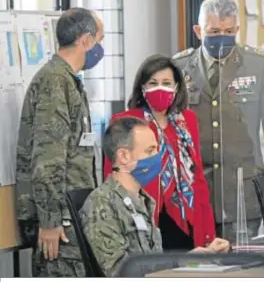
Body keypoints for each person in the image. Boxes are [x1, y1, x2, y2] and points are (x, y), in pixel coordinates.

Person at [172, 0, 264, 241]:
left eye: (228, 31)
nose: (221, 37)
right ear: (198, 31)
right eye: (214, 31)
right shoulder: (179, 67)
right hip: (195, 192)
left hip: (242, 193)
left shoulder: (257, 65)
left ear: (237, 29)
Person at [15, 8, 105, 277]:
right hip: (60, 222)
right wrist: (51, 221)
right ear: (86, 40)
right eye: (100, 39)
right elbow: (47, 160)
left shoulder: (67, 80)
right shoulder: (56, 82)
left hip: (72, 212)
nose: (101, 48)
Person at [80, 117, 230, 277]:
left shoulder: (144, 200)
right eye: (150, 151)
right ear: (124, 156)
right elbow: (122, 272)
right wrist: (181, 261)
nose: (158, 156)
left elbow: (154, 265)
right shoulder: (102, 203)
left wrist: (198, 257)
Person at [103, 54, 217, 251]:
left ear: (177, 87)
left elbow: (197, 176)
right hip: (144, 220)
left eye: (166, 83)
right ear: (143, 87)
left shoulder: (186, 120)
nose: (160, 88)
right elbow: (111, 177)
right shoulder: (126, 121)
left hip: (186, 218)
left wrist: (208, 234)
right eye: (153, 83)